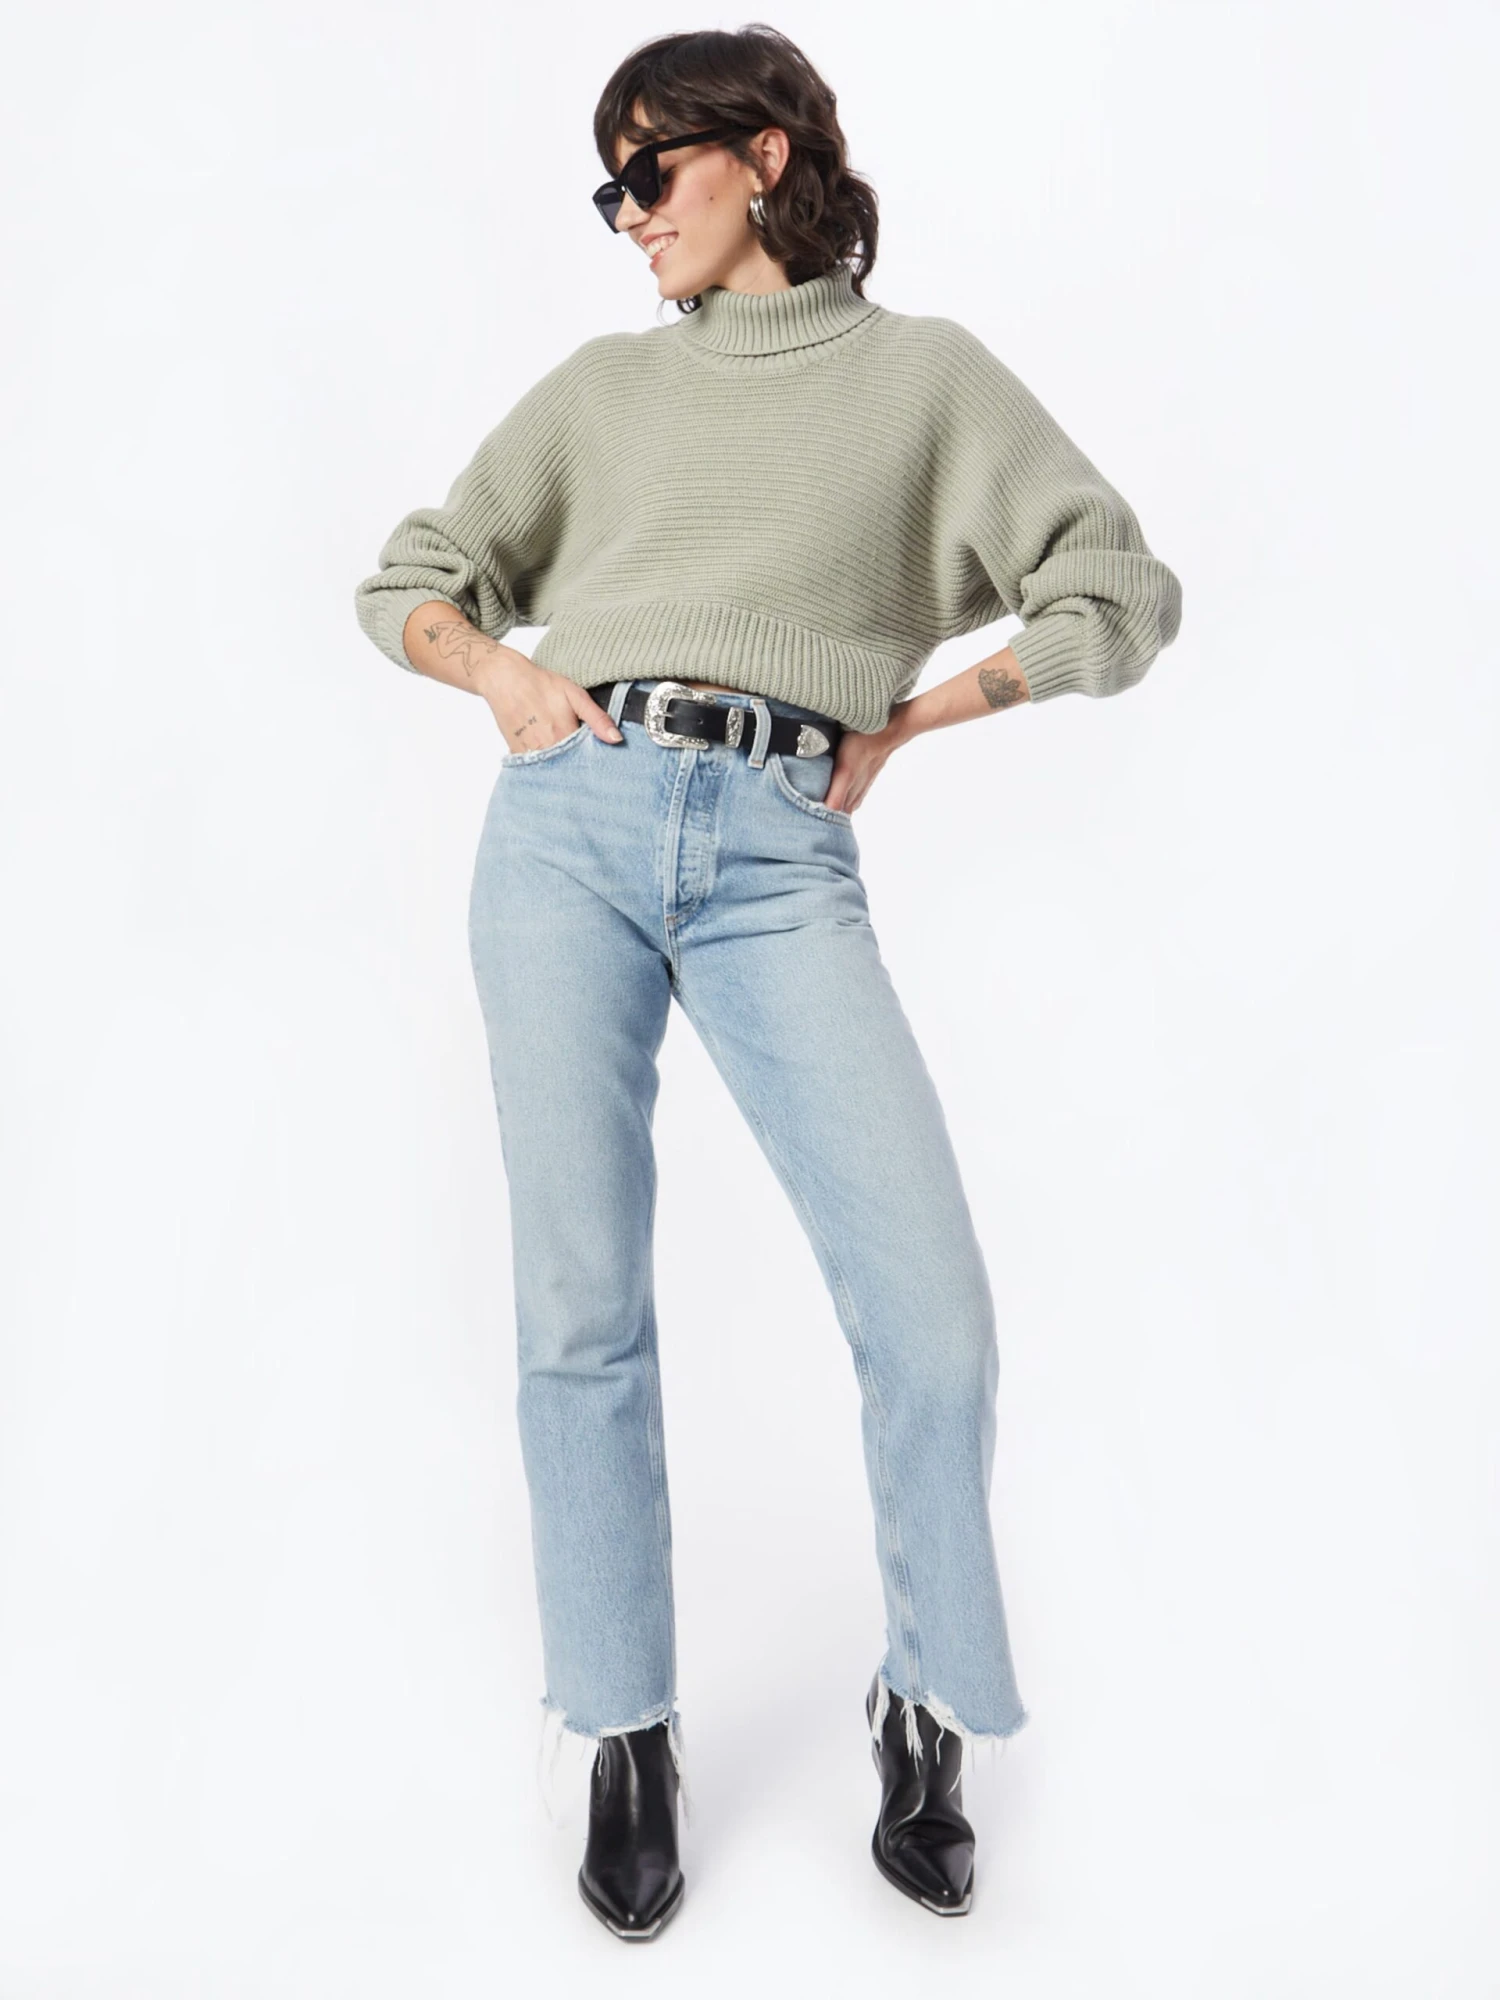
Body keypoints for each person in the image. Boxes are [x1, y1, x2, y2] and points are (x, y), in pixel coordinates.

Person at [353, 25, 1182, 1941]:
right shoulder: (602, 390)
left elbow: (1118, 589)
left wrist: (918, 717)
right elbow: (411, 572)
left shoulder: (925, 381)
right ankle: (621, 1727)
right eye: (611, 187)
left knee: (932, 1313)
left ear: (770, 155)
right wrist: (500, 673)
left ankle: (926, 1696)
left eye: (651, 171)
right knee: (579, 1303)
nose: (628, 215)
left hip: (779, 849)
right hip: (564, 828)